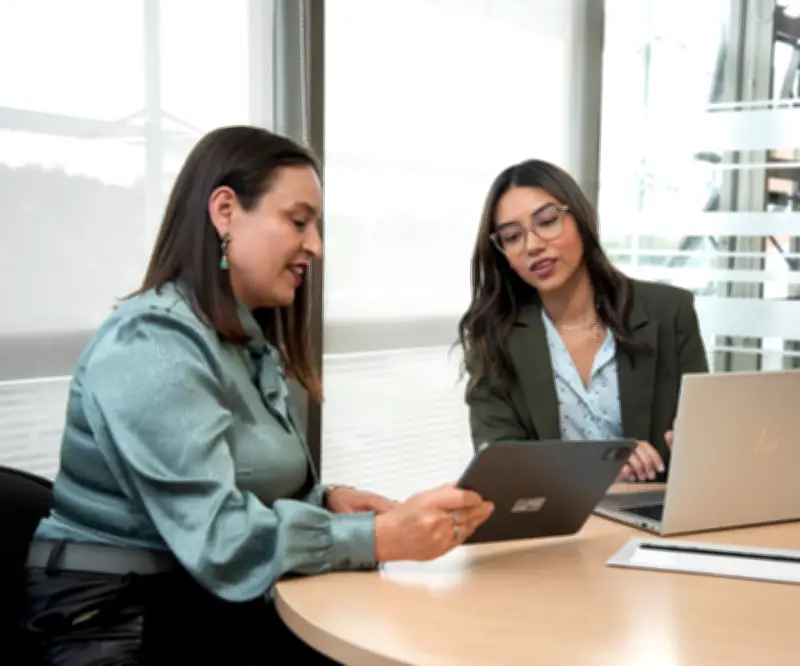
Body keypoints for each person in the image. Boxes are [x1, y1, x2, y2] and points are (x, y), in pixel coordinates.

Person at [21, 126, 494, 665]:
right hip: (115, 620)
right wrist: (379, 537)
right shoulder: (149, 343)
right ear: (225, 211)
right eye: (298, 221)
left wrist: (326, 501)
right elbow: (220, 536)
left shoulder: (239, 341)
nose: (315, 246)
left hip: (194, 600)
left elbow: (232, 482)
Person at [457, 159, 708, 483]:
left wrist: (693, 446)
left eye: (547, 221)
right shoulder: (494, 338)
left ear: (583, 216)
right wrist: (597, 463)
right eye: (513, 237)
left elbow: (702, 438)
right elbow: (500, 465)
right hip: (552, 523)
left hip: (657, 516)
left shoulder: (669, 312)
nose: (533, 245)